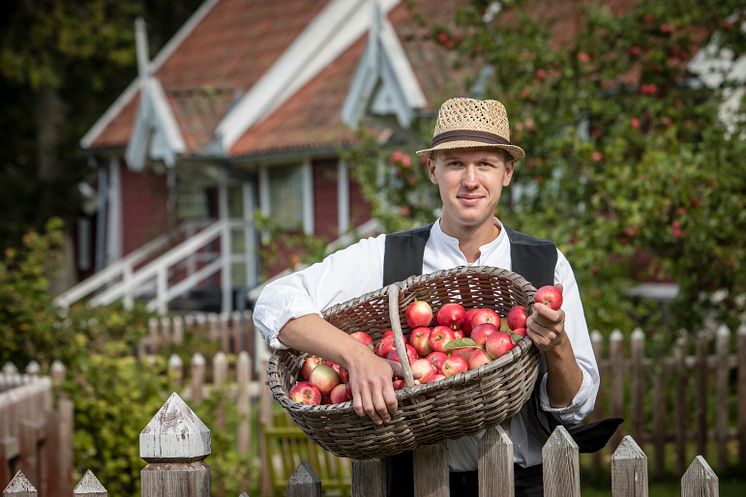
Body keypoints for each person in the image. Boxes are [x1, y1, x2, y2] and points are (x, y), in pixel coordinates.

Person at [253, 97, 604, 497]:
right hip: (416, 484)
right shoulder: (386, 256)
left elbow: (576, 406)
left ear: (507, 172)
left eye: (485, 164)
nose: (470, 180)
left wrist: (556, 346)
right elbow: (274, 301)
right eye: (455, 164)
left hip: (521, 483)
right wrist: (358, 357)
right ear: (432, 170)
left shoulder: (545, 264)